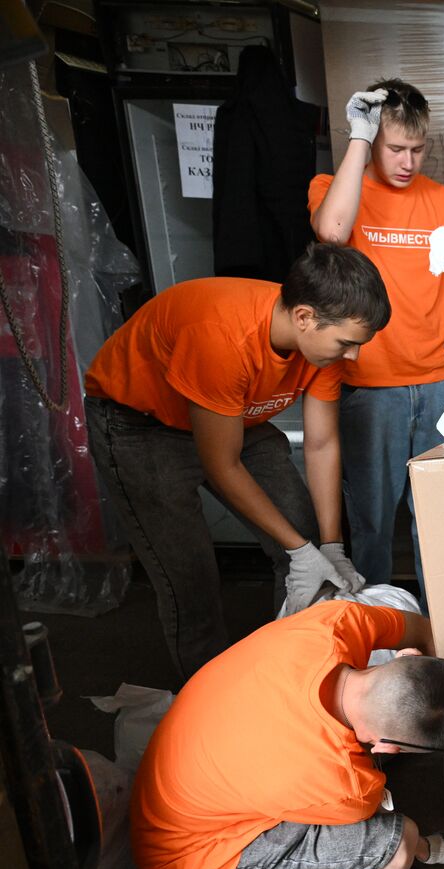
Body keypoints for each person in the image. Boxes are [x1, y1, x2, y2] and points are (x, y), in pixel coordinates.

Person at [84, 244, 386, 681]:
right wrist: (302, 551)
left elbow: (321, 443)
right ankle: (211, 707)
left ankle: (293, 681)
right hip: (139, 424)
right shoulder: (222, 335)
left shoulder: (325, 342)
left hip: (235, 413)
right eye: (347, 343)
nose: (354, 356)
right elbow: (221, 465)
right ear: (304, 317)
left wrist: (330, 544)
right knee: (191, 579)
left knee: (304, 536)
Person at [132, 600, 444, 869]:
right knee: (395, 851)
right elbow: (388, 829)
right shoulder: (347, 783)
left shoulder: (337, 622)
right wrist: (430, 849)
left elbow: (423, 629)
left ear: (406, 656)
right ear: (387, 747)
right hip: (184, 860)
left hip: (174, 780)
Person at [310, 78, 444, 597]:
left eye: (418, 149)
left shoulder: (443, 200)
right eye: (395, 149)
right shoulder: (337, 187)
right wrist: (360, 140)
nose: (408, 161)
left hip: (439, 387)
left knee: (441, 529)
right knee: (372, 529)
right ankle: (380, 639)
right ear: (371, 141)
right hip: (370, 390)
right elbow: (332, 234)